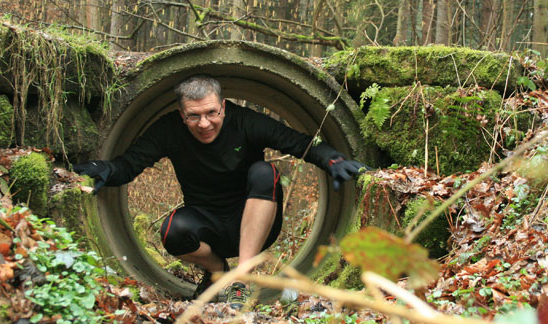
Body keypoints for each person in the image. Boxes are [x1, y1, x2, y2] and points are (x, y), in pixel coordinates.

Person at [73, 75, 367, 309]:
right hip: (206, 227)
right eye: (194, 116)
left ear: (223, 106)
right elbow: (130, 164)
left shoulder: (245, 121)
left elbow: (298, 142)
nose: (204, 123)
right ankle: (217, 271)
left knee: (264, 172)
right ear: (181, 114)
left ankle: (242, 277)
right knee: (171, 231)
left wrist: (332, 159)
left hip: (255, 220)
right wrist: (106, 168)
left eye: (211, 113)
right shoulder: (167, 130)